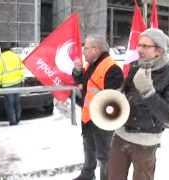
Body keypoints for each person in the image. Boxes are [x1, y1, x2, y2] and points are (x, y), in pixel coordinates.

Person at [108, 28, 169, 180]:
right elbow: (126, 94)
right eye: (139, 45)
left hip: (145, 142)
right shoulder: (136, 67)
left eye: (145, 46)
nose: (139, 49)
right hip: (120, 135)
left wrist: (149, 93)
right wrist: (112, 94)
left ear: (159, 51)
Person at [72, 34, 124, 180]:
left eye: (86, 48)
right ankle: (87, 174)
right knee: (88, 148)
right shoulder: (91, 65)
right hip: (88, 117)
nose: (83, 51)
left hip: (102, 121)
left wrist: (100, 94)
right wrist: (77, 71)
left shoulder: (113, 69)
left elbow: (115, 101)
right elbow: (84, 83)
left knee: (104, 155)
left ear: (96, 49)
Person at [0, 43, 24, 126]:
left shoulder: (0, 59)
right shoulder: (16, 56)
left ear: (1, 50)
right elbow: (22, 69)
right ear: (10, 49)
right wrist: (22, 79)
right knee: (17, 102)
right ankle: (18, 119)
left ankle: (13, 121)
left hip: (7, 85)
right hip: (18, 83)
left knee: (9, 104)